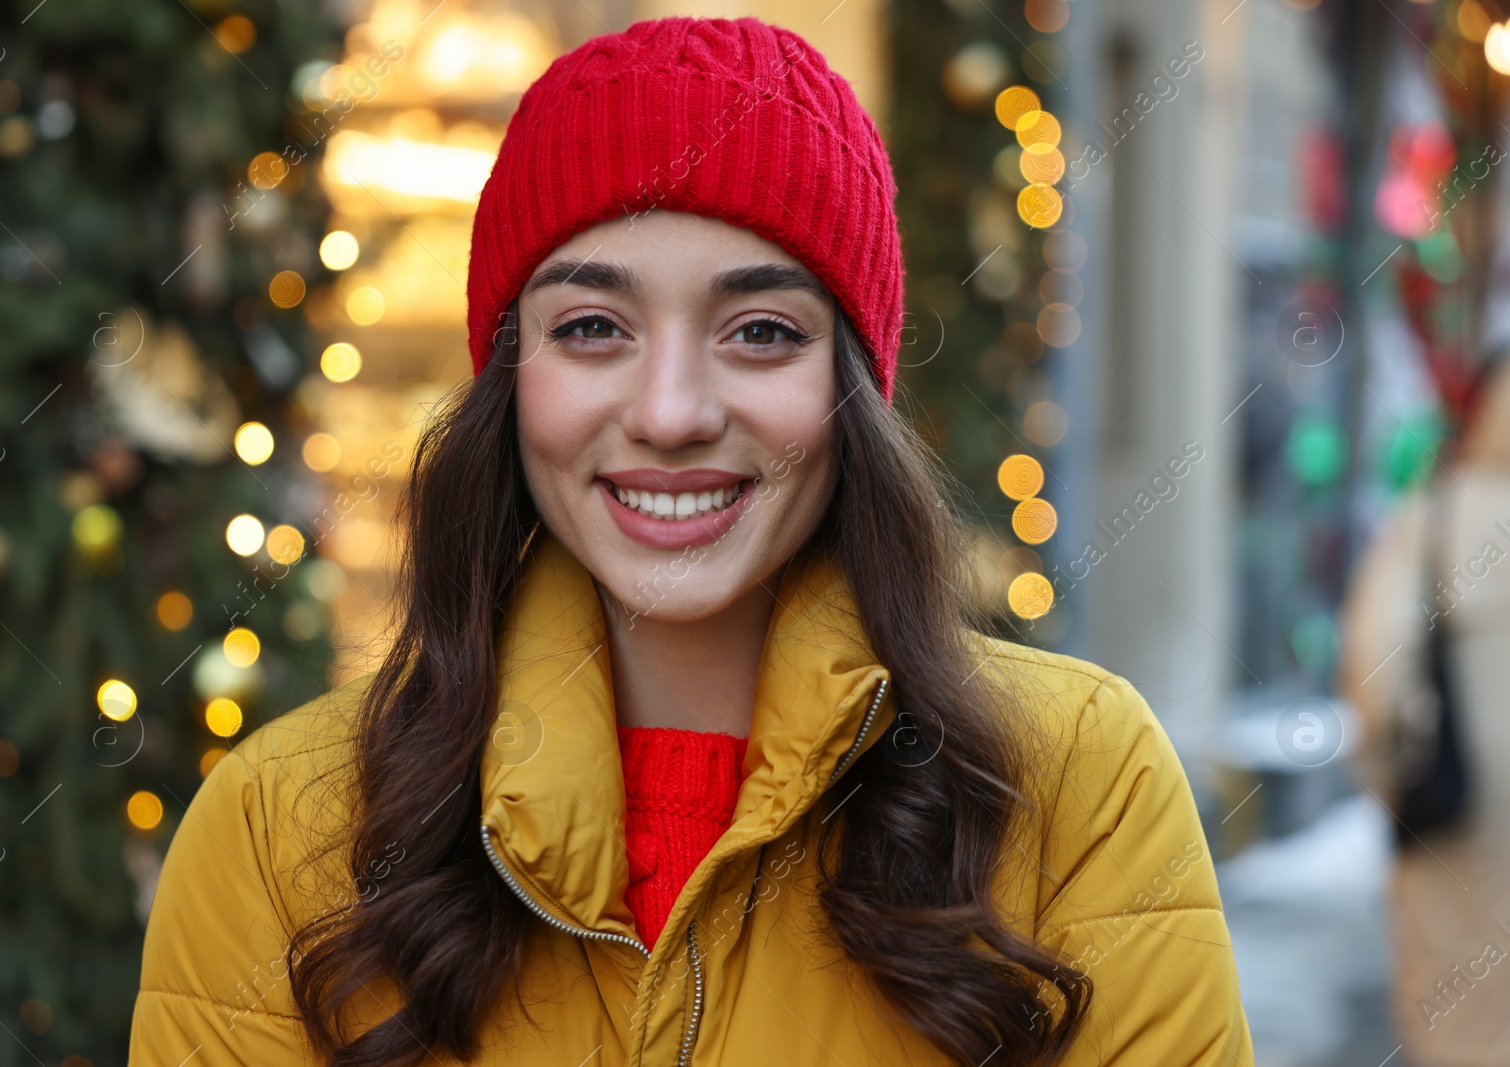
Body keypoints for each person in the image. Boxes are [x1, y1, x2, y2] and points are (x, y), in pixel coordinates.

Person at [128, 16, 1252, 1066]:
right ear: (511, 382)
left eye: (760, 331)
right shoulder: (283, 830)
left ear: (846, 385)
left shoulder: (1077, 785)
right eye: (591, 328)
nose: (670, 411)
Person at [1339, 350, 1510, 1067]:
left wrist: (1394, 783)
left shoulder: (1434, 520)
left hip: (1464, 834)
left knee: (1463, 1032)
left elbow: (1376, 674)